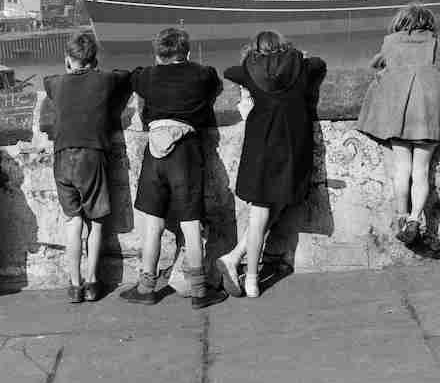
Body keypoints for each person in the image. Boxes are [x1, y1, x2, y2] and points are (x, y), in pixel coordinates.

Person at [120, 26, 228, 309]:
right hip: (186, 152)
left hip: (154, 153)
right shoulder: (200, 74)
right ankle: (199, 291)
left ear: (157, 54)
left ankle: (146, 288)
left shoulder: (147, 76)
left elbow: (132, 77)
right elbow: (214, 80)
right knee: (191, 223)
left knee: (153, 223)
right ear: (187, 53)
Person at [216, 31, 326, 298]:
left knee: (262, 211)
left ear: (257, 51)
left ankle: (248, 276)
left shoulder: (248, 71)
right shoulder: (301, 67)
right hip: (292, 145)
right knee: (275, 205)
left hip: (261, 146)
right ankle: (236, 261)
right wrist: (300, 57)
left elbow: (228, 71)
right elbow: (320, 64)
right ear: (283, 47)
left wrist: (251, 62)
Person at [356, 4, 440, 247]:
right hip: (428, 117)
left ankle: (401, 216)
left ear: (401, 21)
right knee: (421, 172)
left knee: (402, 169)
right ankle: (415, 219)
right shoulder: (435, 41)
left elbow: (376, 63)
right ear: (428, 23)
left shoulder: (391, 41)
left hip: (400, 117)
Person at [44, 31, 131, 303]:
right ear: (94, 61)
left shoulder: (55, 83)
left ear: (68, 60)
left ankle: (74, 284)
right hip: (91, 156)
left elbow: (50, 82)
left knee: (74, 220)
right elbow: (125, 75)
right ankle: (93, 282)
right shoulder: (104, 79)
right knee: (96, 221)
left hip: (62, 155)